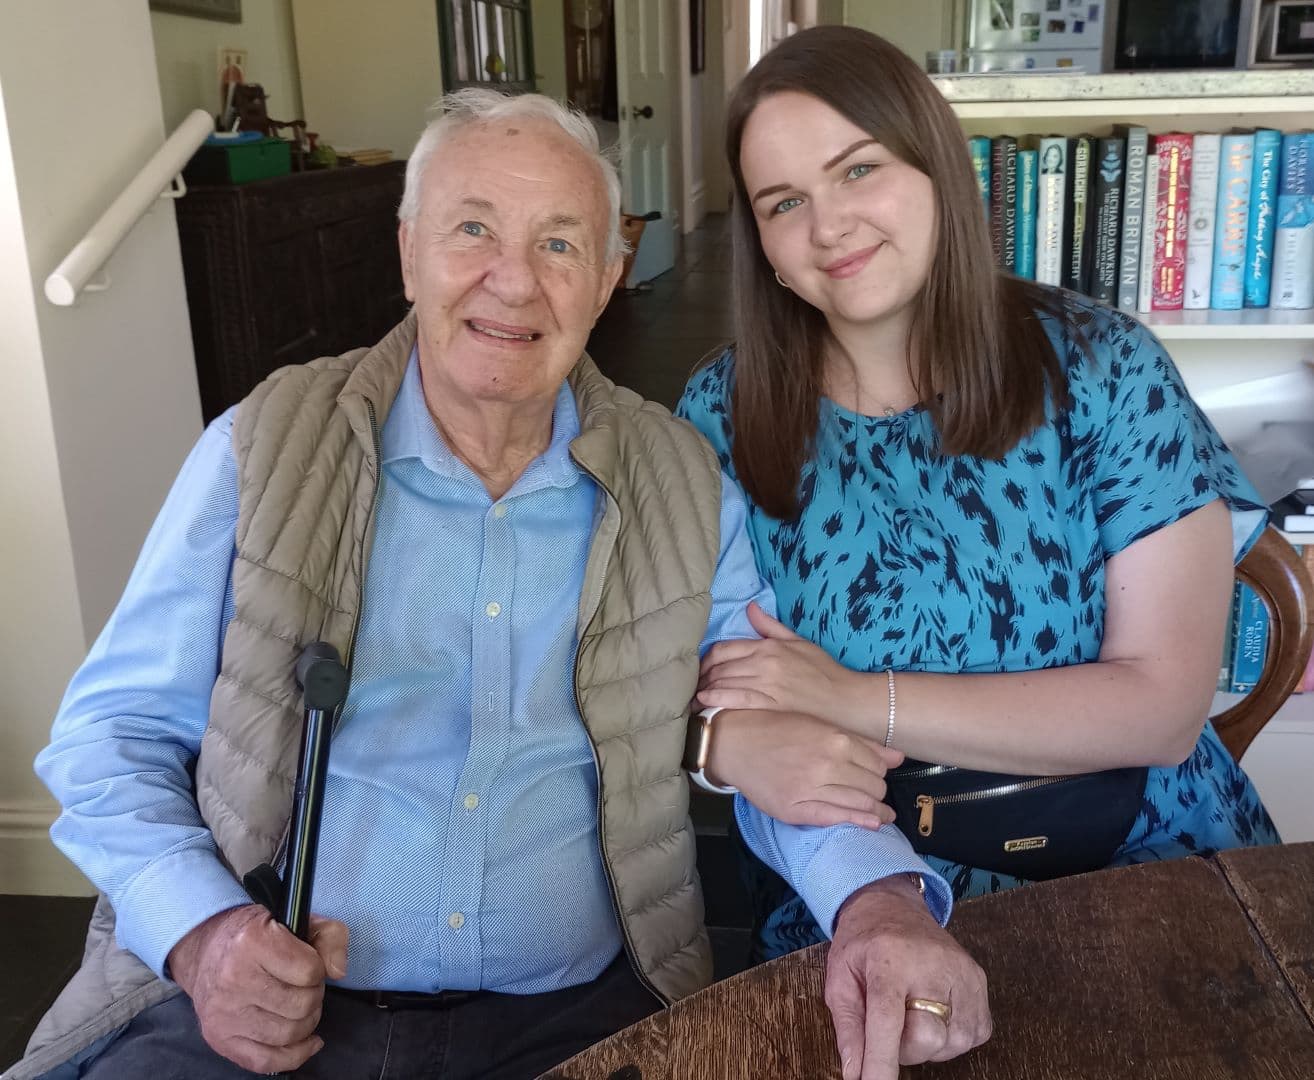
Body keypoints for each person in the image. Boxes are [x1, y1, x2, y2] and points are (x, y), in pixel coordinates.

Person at [12, 89, 989, 1080]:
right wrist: (203, 935)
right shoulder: (262, 450)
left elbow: (775, 740)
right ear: (409, 254)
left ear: (607, 278)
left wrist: (880, 903)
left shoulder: (680, 483)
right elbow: (112, 736)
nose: (514, 282)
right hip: (260, 1013)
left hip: (575, 1013)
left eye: (559, 244)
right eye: (472, 229)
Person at [676, 26, 1280, 964]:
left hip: (1138, 864)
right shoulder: (721, 411)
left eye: (858, 170)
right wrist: (721, 743)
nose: (828, 226)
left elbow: (1162, 710)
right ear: (762, 243)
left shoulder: (1103, 367)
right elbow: (699, 675)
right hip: (849, 886)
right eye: (784, 202)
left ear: (937, 169)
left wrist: (853, 698)